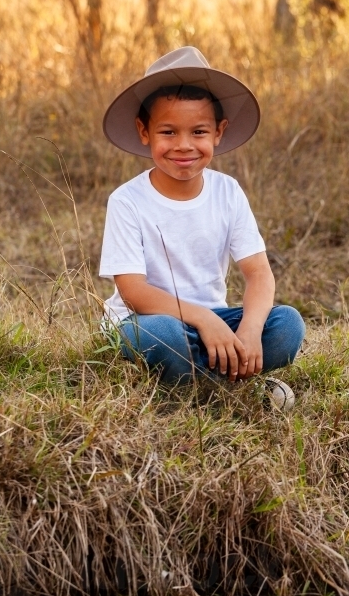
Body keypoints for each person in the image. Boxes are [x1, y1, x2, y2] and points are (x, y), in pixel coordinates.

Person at [99, 46, 305, 396]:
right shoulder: (127, 201)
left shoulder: (228, 191)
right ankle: (220, 385)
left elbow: (258, 273)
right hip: (148, 322)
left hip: (214, 324)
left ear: (218, 132)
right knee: (162, 335)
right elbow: (133, 292)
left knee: (287, 325)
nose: (183, 146)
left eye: (198, 132)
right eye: (168, 132)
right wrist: (203, 319)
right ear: (144, 130)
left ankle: (202, 372)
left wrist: (251, 330)